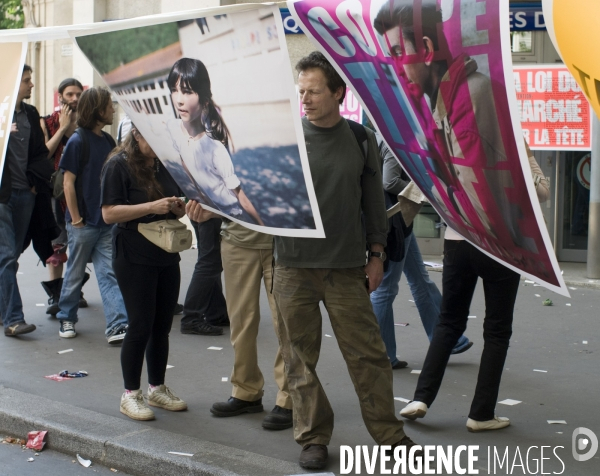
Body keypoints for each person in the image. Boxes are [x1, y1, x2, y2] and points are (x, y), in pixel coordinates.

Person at [272, 51, 420, 470]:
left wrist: (376, 255)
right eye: (301, 91)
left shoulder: (360, 139)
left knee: (368, 355)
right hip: (292, 267)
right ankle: (313, 438)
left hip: (346, 268)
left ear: (338, 92)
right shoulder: (286, 138)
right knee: (299, 358)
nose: (306, 99)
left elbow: (374, 204)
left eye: (315, 91)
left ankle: (390, 436)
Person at [374, 0, 530, 261]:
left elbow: (484, 215)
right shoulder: (444, 103)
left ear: (426, 49)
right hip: (469, 240)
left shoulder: (467, 101)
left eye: (399, 53)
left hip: (494, 248)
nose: (396, 69)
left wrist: (432, 184)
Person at [101, 125, 187, 421]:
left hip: (165, 250)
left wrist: (178, 208)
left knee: (162, 325)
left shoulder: (164, 162)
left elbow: (180, 204)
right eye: (153, 138)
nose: (159, 144)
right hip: (133, 253)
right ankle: (130, 394)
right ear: (136, 134)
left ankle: (157, 388)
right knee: (140, 325)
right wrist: (151, 205)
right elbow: (109, 213)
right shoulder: (118, 165)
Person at [370, 135, 472, 369]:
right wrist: (425, 193)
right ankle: (382, 354)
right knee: (386, 288)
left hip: (399, 222)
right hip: (394, 223)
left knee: (420, 281)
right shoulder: (394, 139)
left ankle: (448, 340)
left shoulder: (389, 137)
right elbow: (389, 181)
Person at [56, 87, 128, 343]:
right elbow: (68, 183)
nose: (113, 109)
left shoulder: (108, 141)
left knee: (109, 272)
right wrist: (76, 220)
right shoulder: (78, 141)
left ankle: (118, 325)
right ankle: (66, 317)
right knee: (75, 273)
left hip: (105, 222)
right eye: (109, 105)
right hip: (83, 223)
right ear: (99, 111)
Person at [209, 220, 292, 430]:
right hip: (237, 240)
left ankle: (290, 398)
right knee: (240, 323)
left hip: (284, 243)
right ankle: (246, 391)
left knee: (287, 325)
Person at [165, 57, 263, 226]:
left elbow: (240, 197)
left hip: (232, 217)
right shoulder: (173, 131)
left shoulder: (215, 148)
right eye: (175, 90)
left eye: (187, 92)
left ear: (204, 100)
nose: (179, 99)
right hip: (203, 209)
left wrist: (266, 229)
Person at [0, 64, 49, 336]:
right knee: (7, 256)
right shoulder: (1, 111)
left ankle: (3, 309)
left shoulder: (30, 113)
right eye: (27, 81)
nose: (32, 85)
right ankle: (13, 320)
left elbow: (40, 153)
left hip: (25, 193)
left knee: (11, 256)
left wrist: (34, 183)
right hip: (2, 196)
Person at [40, 78, 90, 316]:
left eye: (78, 94)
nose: (75, 99)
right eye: (70, 94)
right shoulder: (47, 122)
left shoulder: (88, 125)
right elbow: (44, 155)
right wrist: (62, 128)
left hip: (82, 193)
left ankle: (74, 288)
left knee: (81, 243)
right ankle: (55, 294)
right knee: (56, 245)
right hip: (54, 194)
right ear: (60, 96)